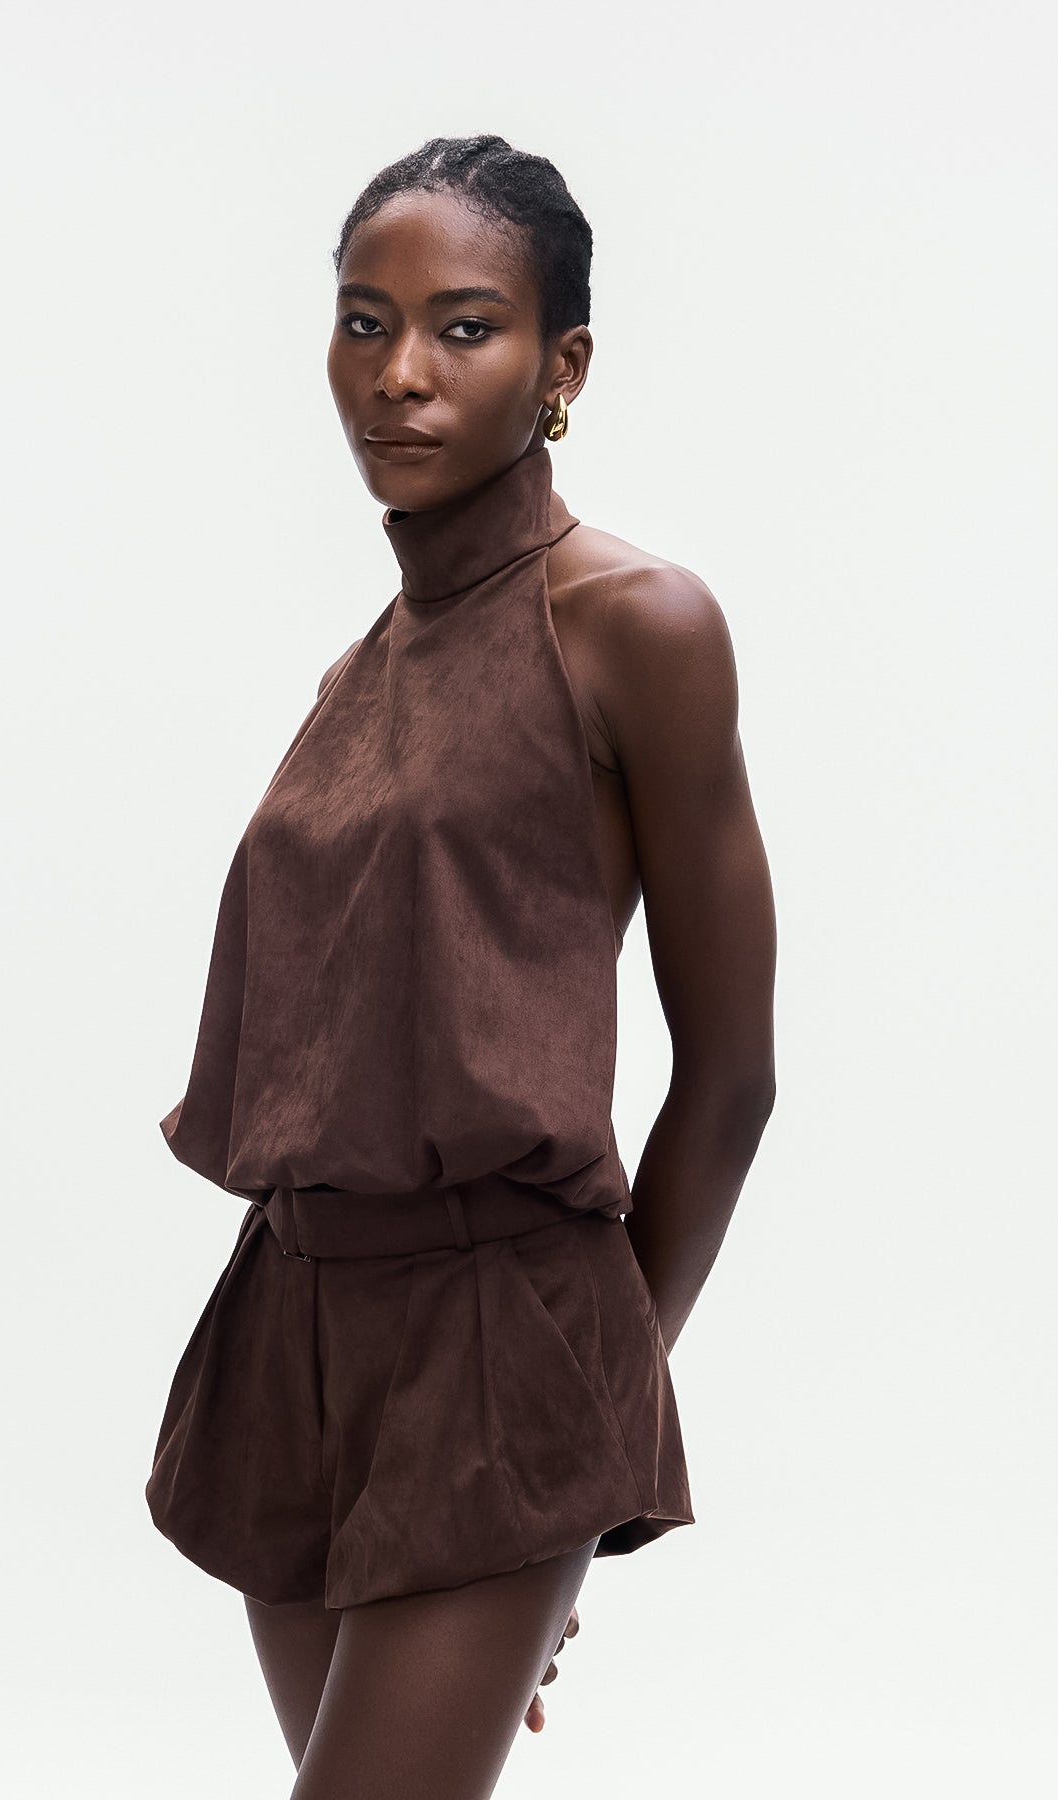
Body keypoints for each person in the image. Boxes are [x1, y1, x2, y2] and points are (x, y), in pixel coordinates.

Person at [145, 134, 776, 1800]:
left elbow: (732, 1077)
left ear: (565, 366)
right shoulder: (363, 671)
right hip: (292, 1332)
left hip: (505, 1336)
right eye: (365, 322)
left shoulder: (636, 623)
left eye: (465, 326)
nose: (400, 373)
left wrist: (583, 1434)